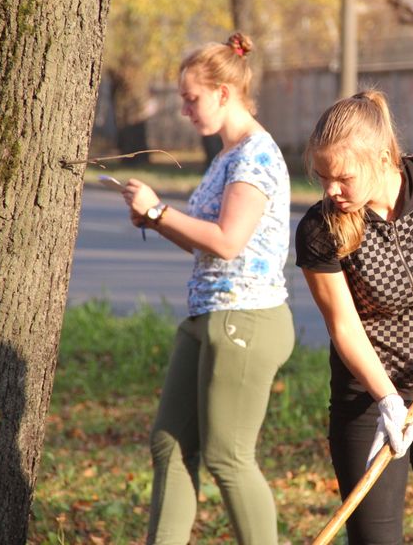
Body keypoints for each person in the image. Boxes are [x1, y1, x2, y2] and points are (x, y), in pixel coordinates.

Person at [120, 33, 294, 545]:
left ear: (223, 93)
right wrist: (156, 220)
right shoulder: (226, 155)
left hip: (246, 318)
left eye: (191, 98)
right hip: (208, 314)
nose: (184, 109)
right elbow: (206, 244)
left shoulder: (255, 156)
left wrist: (159, 210)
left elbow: (227, 241)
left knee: (227, 456)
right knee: (169, 444)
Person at [295, 90, 413, 544]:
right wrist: (386, 399)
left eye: (343, 177)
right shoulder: (320, 229)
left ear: (382, 158)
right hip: (369, 400)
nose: (330, 191)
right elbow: (343, 325)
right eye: (323, 178)